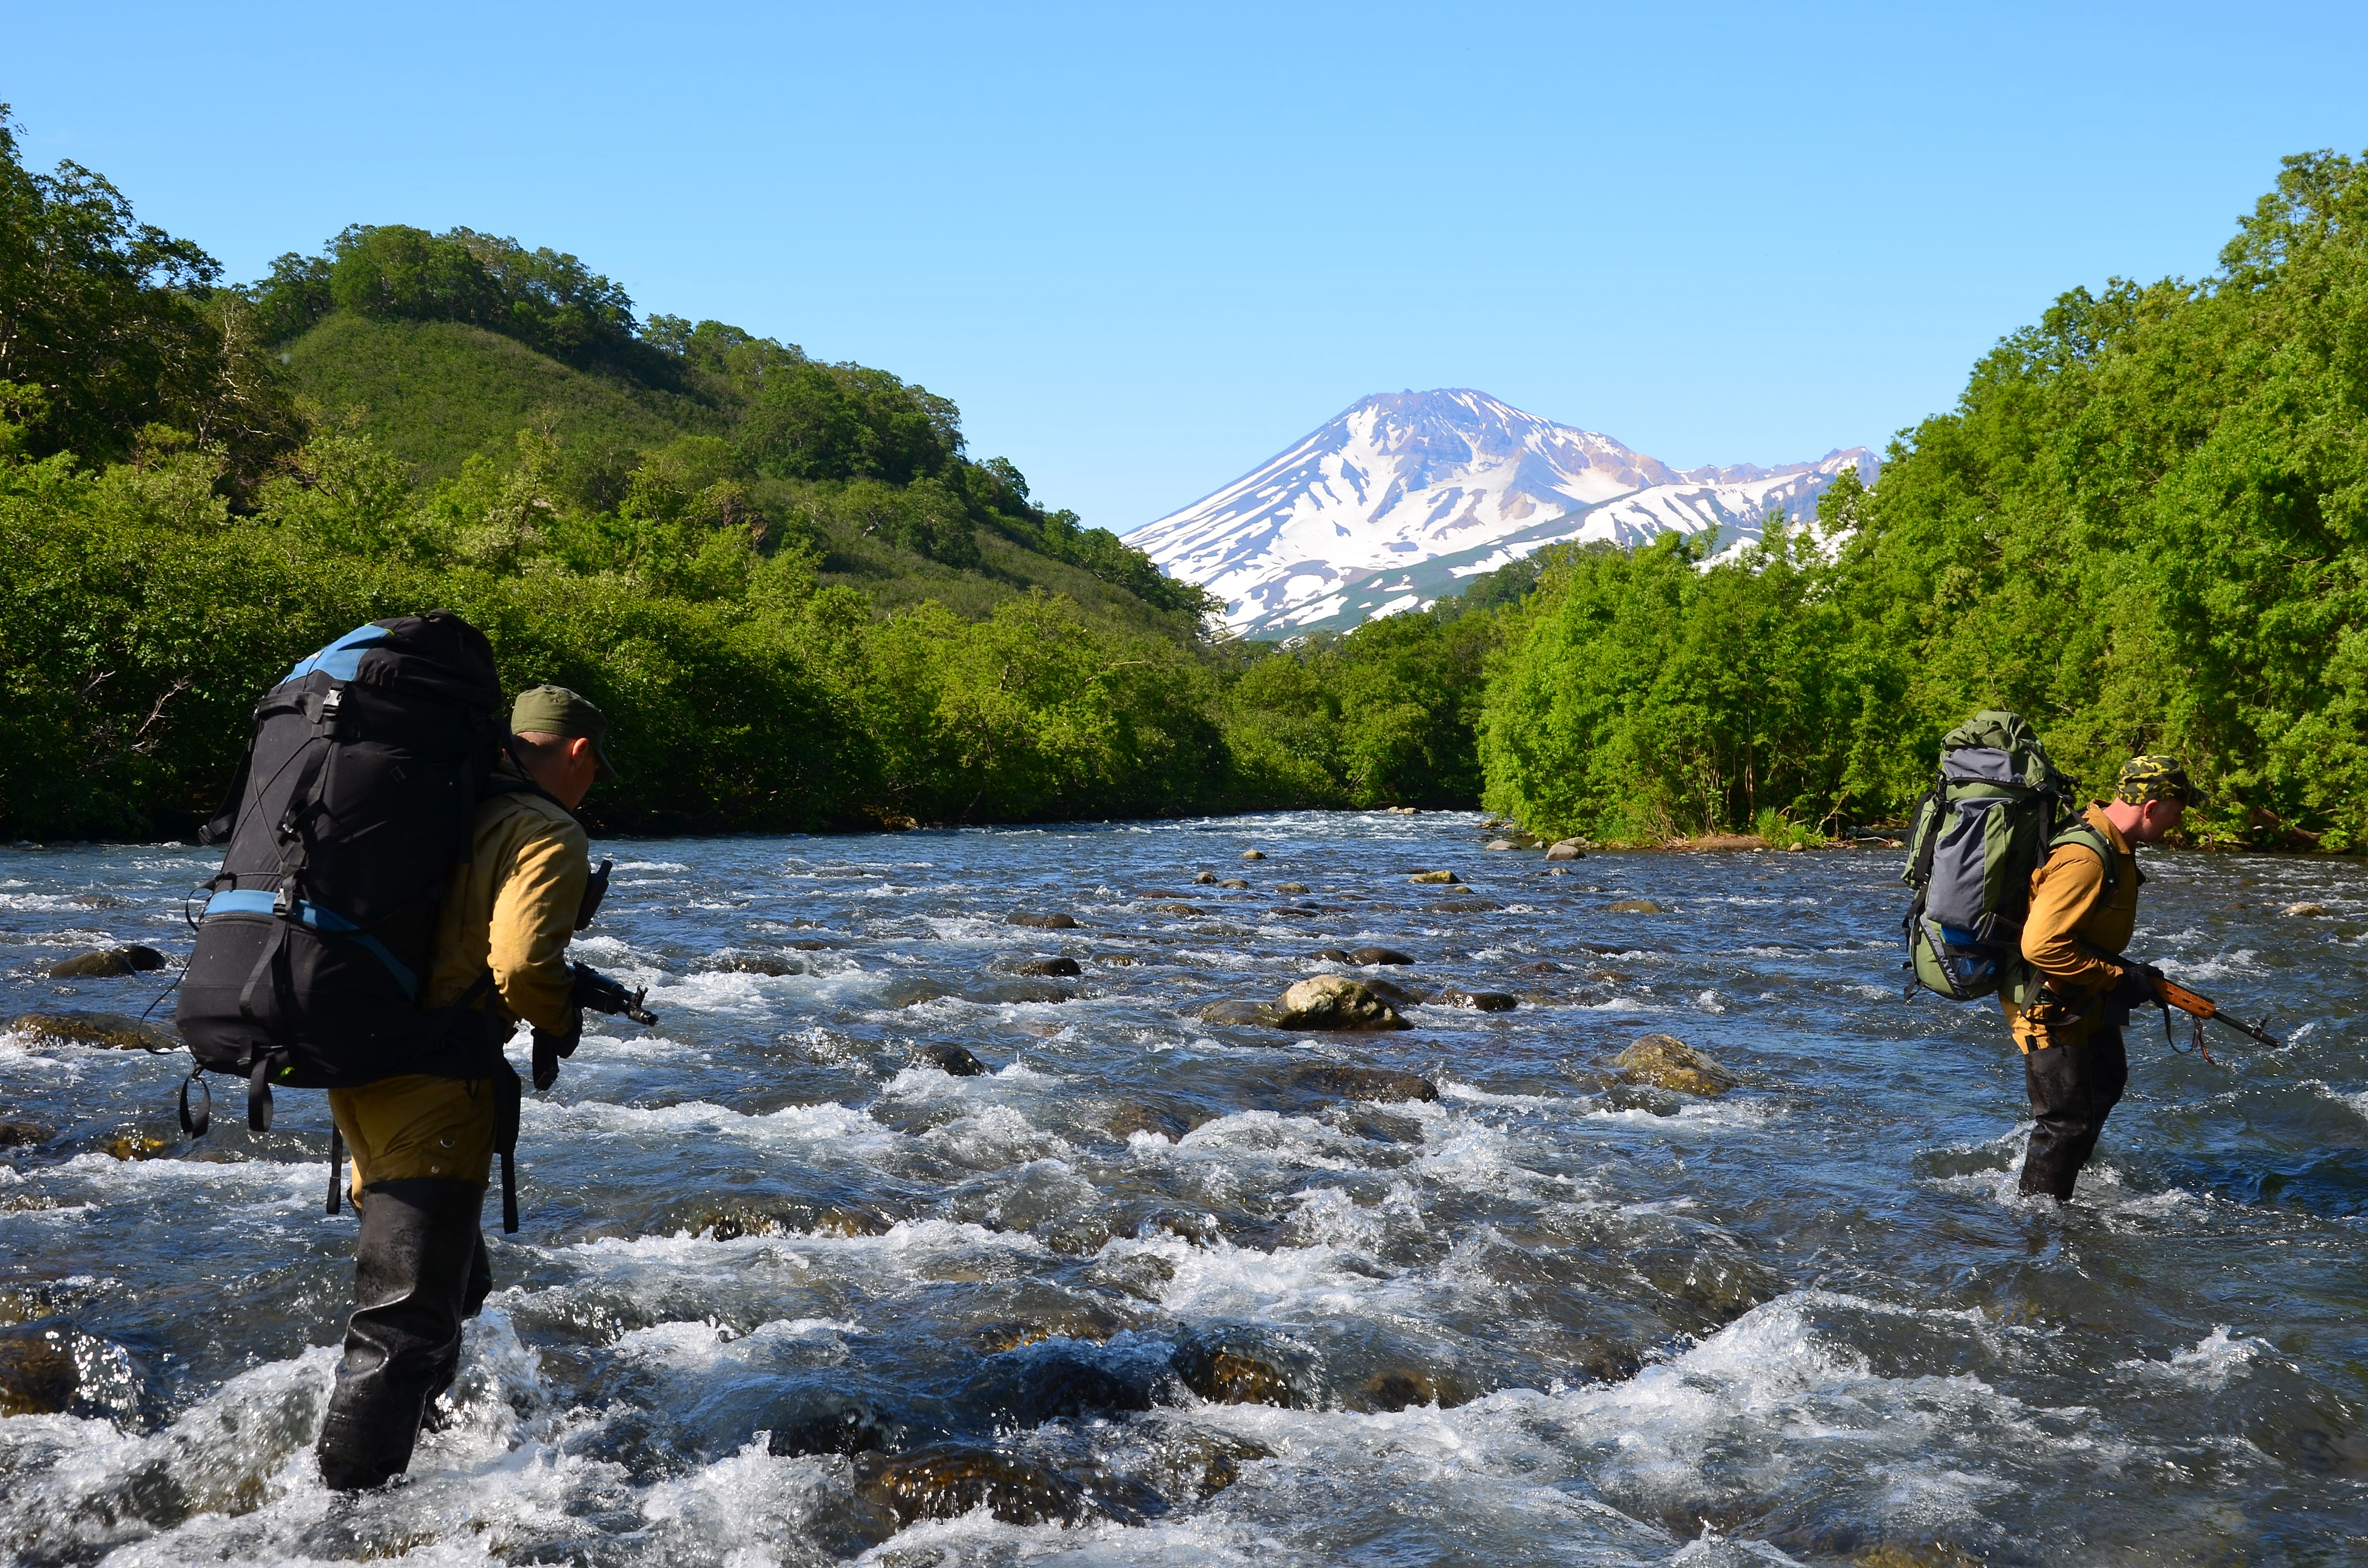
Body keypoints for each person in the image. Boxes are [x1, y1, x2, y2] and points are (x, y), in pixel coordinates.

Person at [314, 684, 620, 1490]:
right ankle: (346, 1516)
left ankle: (427, 1454)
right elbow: (519, 967)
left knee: (454, 1280)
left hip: (362, 1067)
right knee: (406, 1317)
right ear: (578, 753)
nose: (592, 785)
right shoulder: (544, 827)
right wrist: (560, 1018)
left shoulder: (445, 805)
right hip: (437, 1081)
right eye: (595, 769)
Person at [2003, 754, 2196, 1201]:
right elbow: (2043, 946)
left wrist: (2128, 974)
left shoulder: (2115, 846)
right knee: (2065, 1123)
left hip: (2081, 993)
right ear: (2151, 807)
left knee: (2106, 1082)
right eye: (2177, 810)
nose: (2178, 822)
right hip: (2047, 1000)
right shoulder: (2086, 859)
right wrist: (2116, 979)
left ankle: (2065, 1188)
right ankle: (2038, 1224)